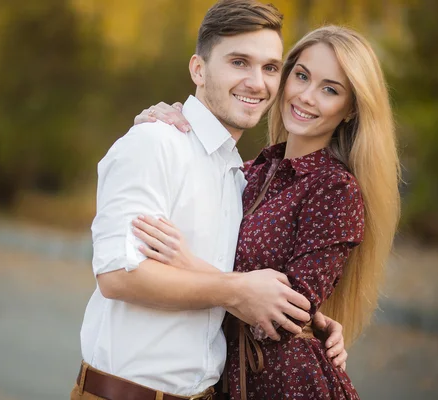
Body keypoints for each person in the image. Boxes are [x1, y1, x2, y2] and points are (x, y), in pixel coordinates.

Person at [73, 2, 348, 400]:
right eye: (239, 62)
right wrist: (237, 292)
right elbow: (118, 276)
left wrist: (309, 321)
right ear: (198, 70)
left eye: (270, 68)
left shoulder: (240, 176)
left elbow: (231, 275)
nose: (257, 82)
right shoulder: (155, 143)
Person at [132, 25, 400, 399]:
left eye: (330, 89)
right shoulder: (251, 171)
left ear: (351, 108)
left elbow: (281, 316)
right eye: (302, 76)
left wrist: (187, 262)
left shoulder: (335, 189)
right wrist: (175, 118)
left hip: (288, 386)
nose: (306, 96)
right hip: (221, 380)